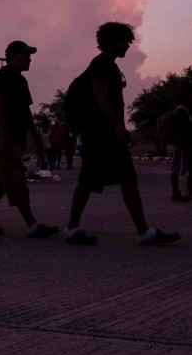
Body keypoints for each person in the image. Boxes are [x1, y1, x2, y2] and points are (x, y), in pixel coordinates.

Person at [63, 23, 179, 247]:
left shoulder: (110, 66)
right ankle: (74, 227)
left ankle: (141, 231)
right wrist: (118, 127)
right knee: (95, 180)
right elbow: (100, 97)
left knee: (117, 178)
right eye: (125, 41)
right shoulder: (101, 65)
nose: (127, 45)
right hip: (101, 134)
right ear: (112, 41)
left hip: (105, 134)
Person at [0, 41, 58, 239]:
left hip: (13, 139)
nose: (29, 59)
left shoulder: (21, 80)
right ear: (13, 56)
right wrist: (3, 136)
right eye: (25, 55)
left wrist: (35, 135)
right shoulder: (4, 75)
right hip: (4, 140)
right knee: (16, 179)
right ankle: (32, 225)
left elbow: (26, 111)